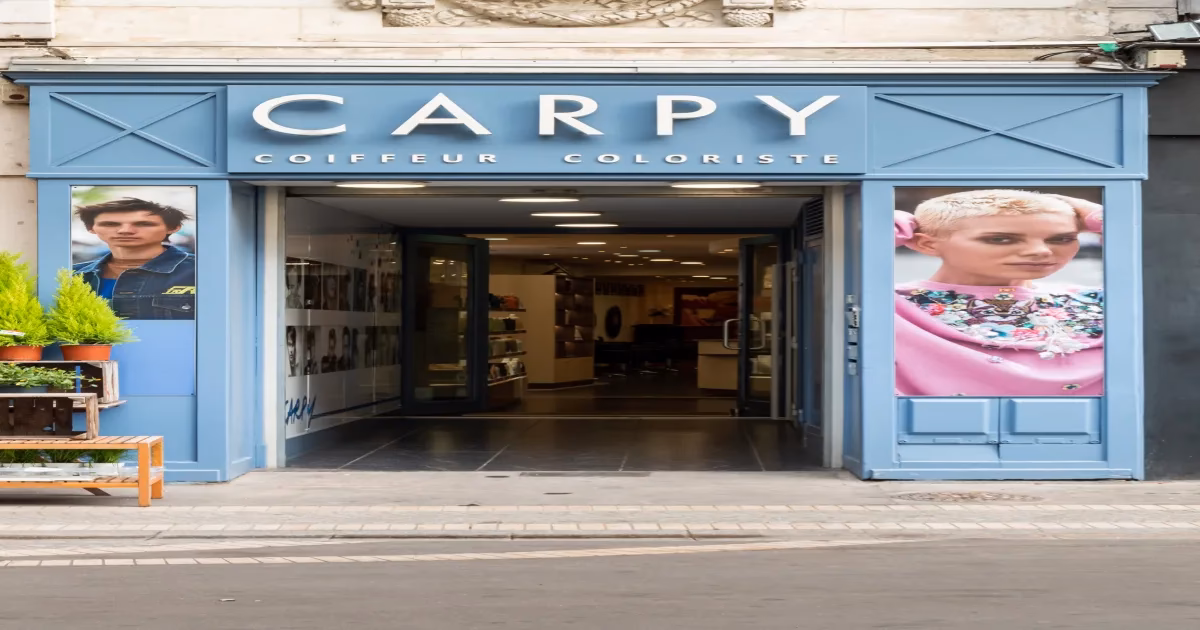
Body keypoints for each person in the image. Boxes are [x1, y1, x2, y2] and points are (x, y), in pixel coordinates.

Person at [894, 190, 1103, 397]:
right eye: (1001, 239)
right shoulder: (887, 304)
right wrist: (892, 222)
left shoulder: (1100, 302)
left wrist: (1099, 217)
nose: (1041, 251)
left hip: (1093, 428)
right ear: (926, 243)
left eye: (1061, 238)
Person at [72, 197, 196, 320]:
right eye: (110, 224)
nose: (125, 231)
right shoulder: (72, 276)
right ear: (91, 228)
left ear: (173, 228)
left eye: (143, 224)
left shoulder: (201, 271)